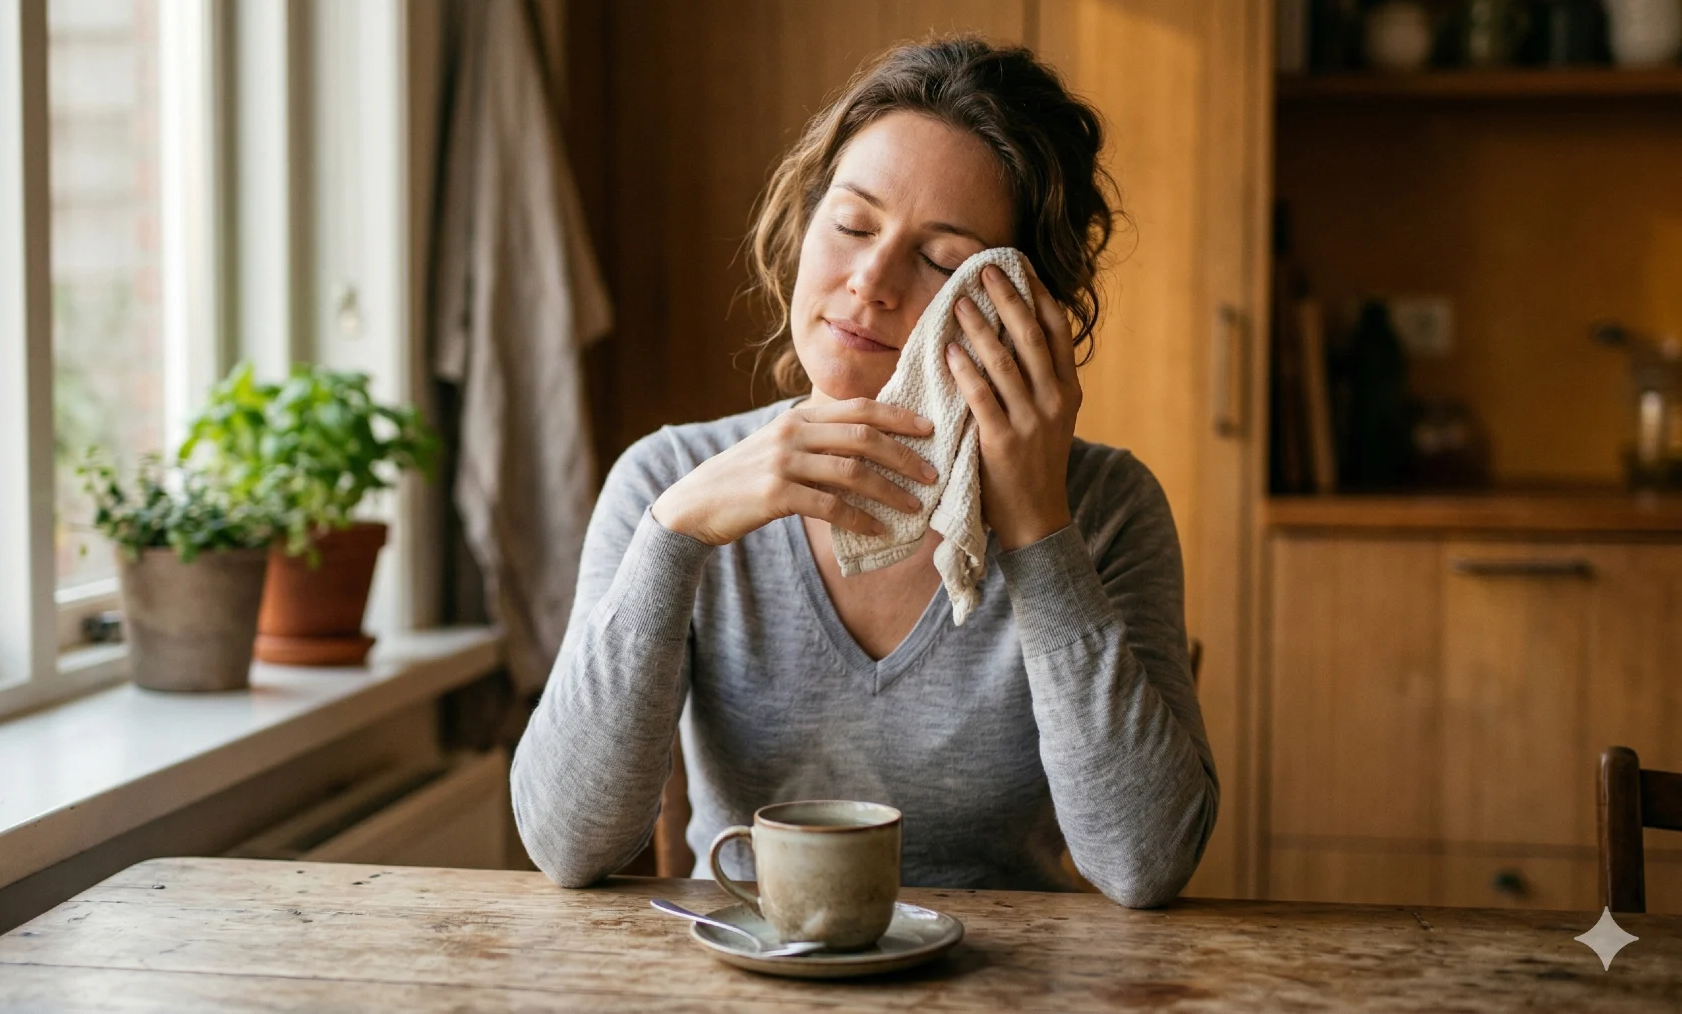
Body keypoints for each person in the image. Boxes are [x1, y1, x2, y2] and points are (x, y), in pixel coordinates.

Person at [510, 36, 1216, 908]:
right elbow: (567, 843)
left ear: (1020, 307)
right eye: (851, 225)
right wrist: (675, 535)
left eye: (942, 261)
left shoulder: (1107, 507)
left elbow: (1143, 863)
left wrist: (1038, 527)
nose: (871, 281)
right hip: (741, 978)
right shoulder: (668, 479)